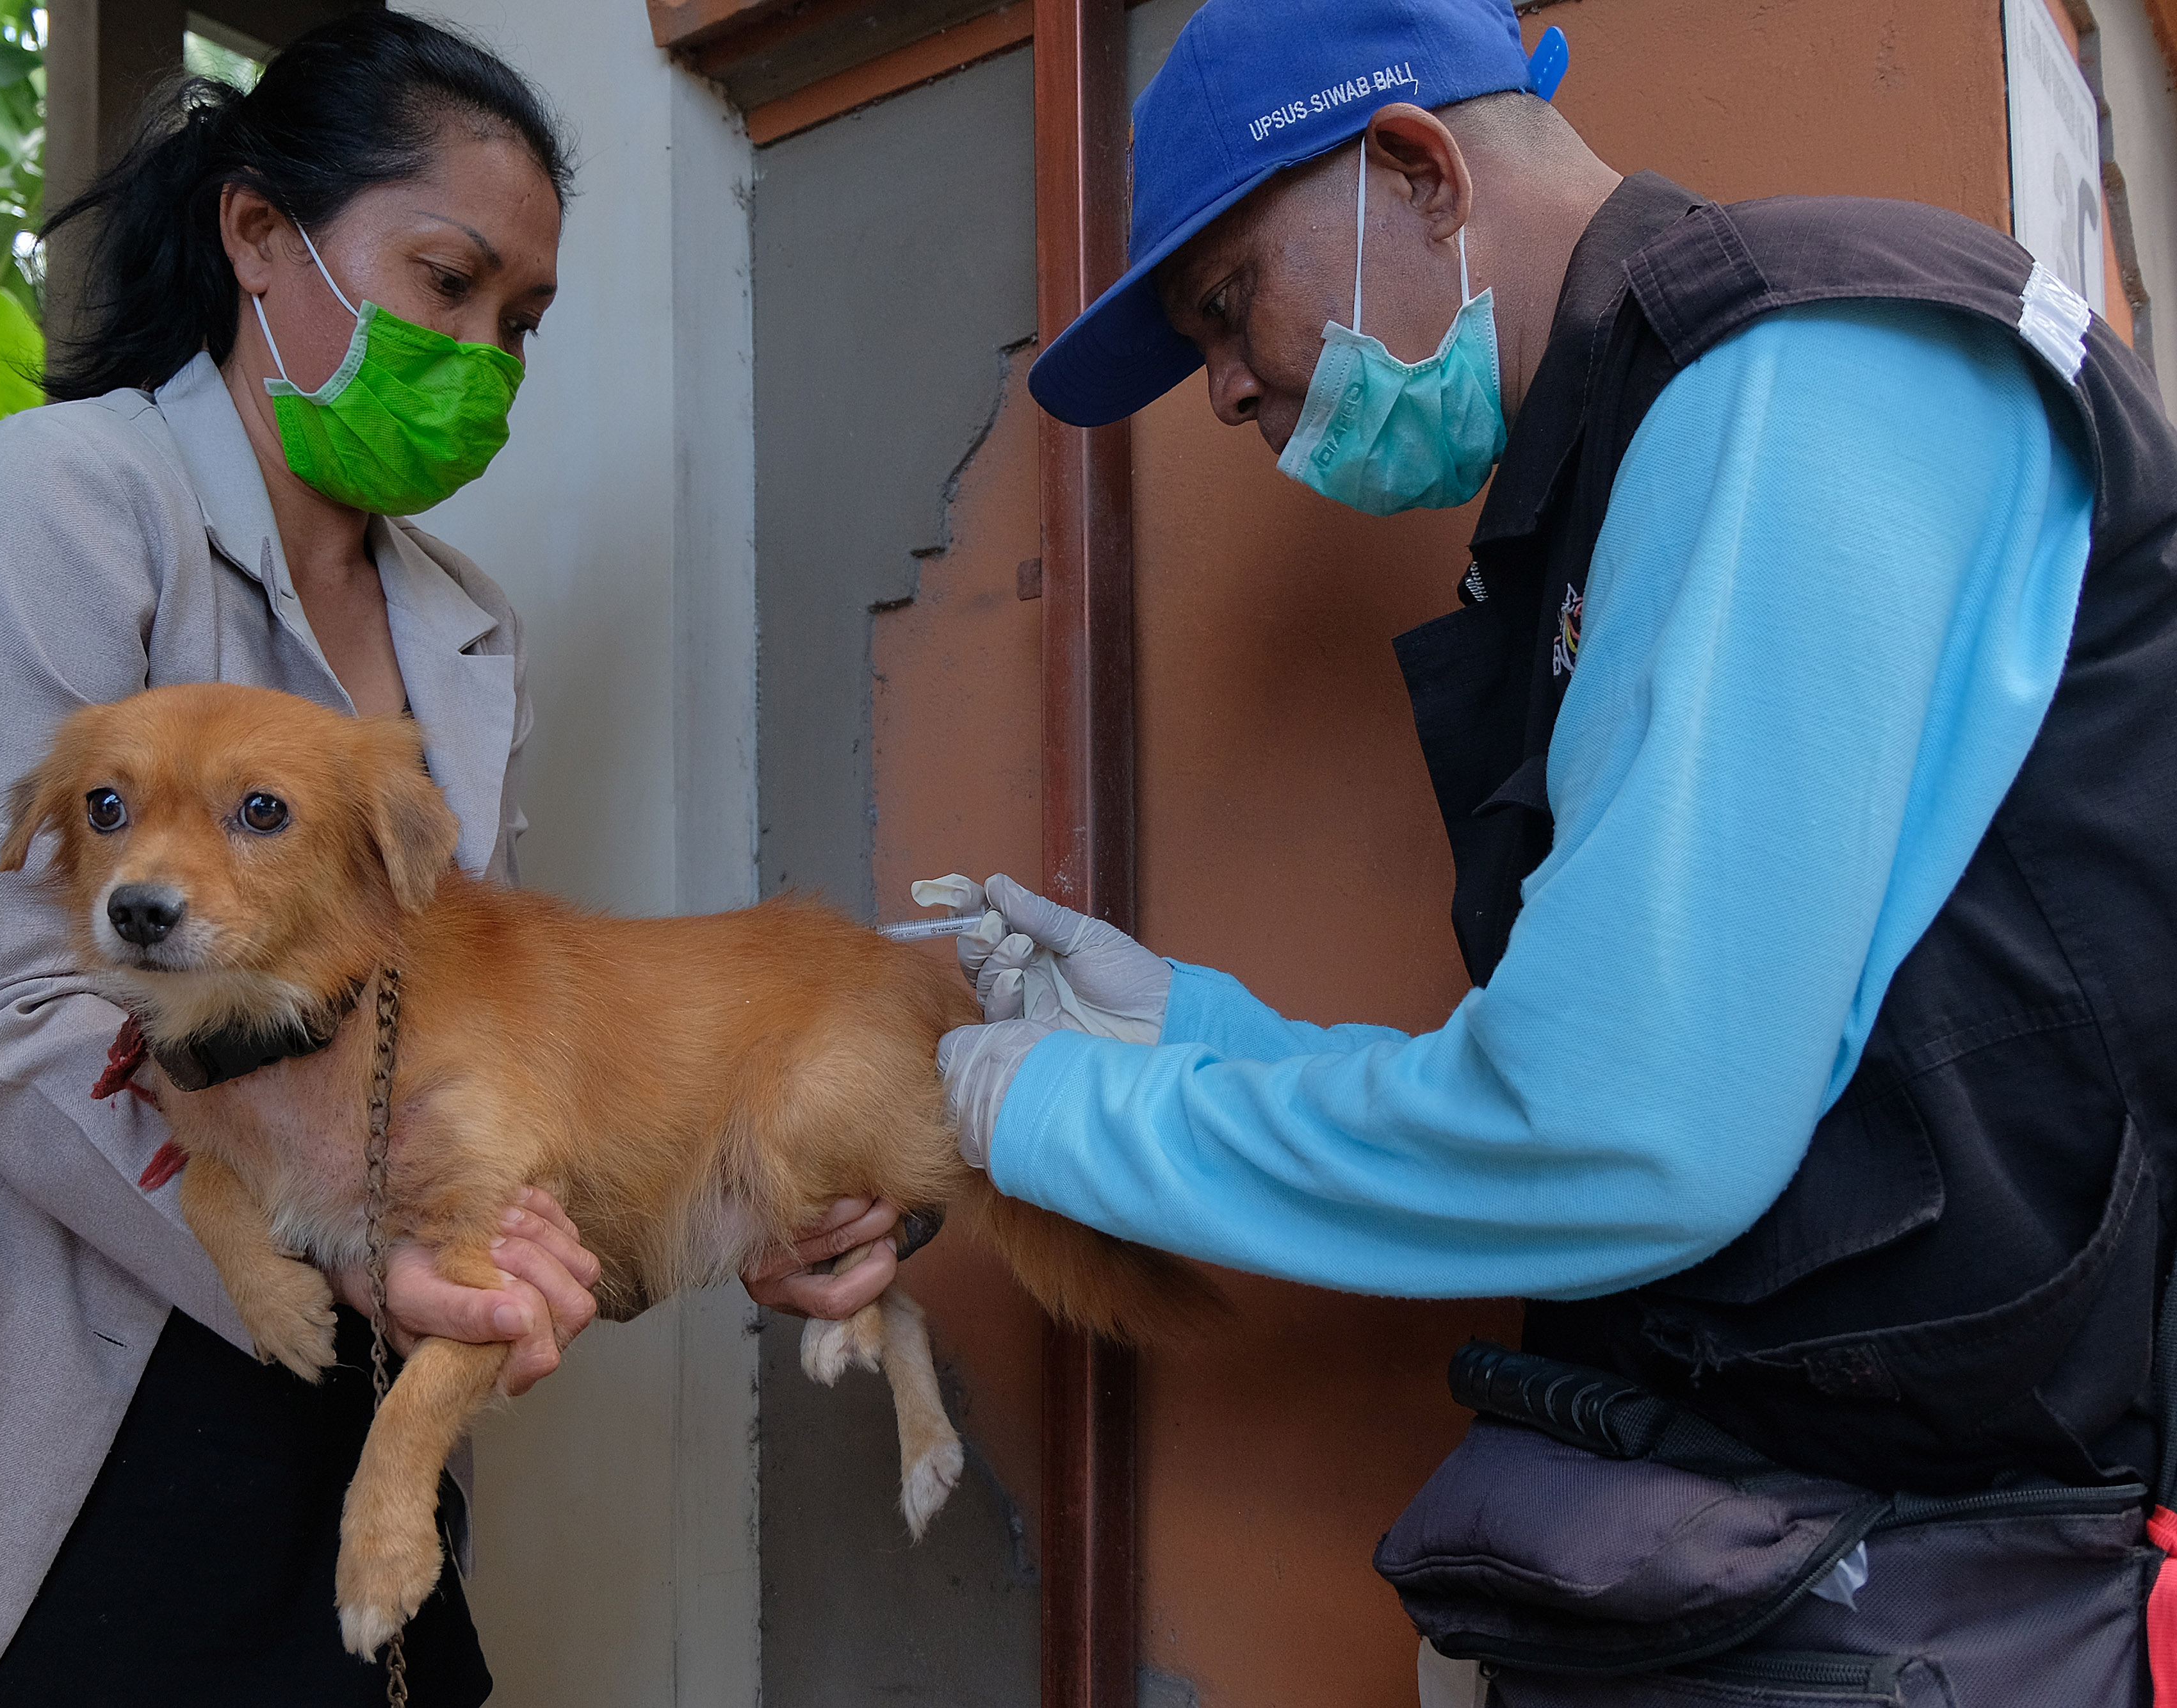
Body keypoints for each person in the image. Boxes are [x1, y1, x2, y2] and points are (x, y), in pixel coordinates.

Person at [911, 0, 2177, 1699]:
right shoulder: (1650, 439)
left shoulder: (1786, 376)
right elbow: (1645, 1071)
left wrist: (1064, 1112)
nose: (1223, 390)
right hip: (1813, 1543)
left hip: (1932, 1577)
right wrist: (1194, 1033)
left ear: (1419, 171)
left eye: (1227, 305)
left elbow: (1626, 1128)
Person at [0, 16, 607, 1704]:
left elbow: (449, 1015)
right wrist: (343, 1237)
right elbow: (6, 1008)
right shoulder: (52, 498)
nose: (480, 358)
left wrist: (666, 1187)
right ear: (258, 235)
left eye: (520, 322)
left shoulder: (463, 630)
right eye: (446, 283)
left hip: (316, 1387)